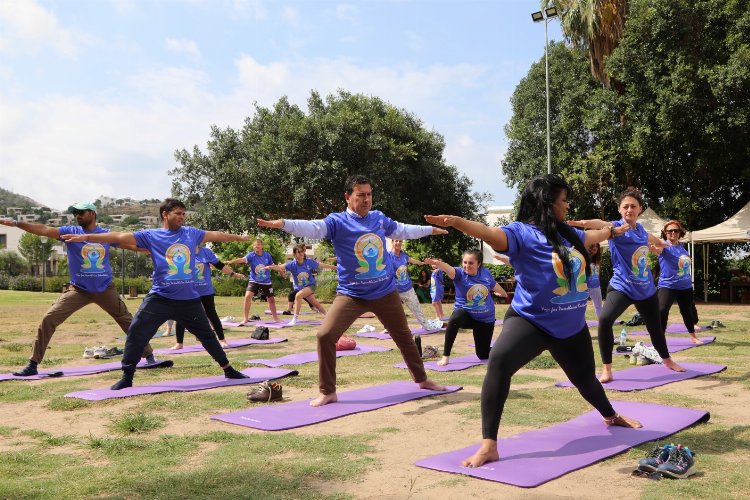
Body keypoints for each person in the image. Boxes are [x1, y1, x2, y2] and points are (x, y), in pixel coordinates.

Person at [425, 174, 642, 468]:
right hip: (532, 321)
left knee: (585, 380)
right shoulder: (521, 233)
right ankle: (489, 444)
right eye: (563, 201)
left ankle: (610, 415)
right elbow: (489, 233)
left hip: (572, 326)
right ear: (547, 202)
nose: (567, 206)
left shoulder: (568, 233)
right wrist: (457, 222)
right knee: (499, 365)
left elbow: (594, 236)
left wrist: (613, 232)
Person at [257, 174, 448, 406]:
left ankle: (422, 380)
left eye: (369, 194)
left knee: (404, 337)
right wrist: (284, 224)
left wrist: (430, 230)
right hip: (351, 294)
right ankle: (328, 391)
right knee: (325, 335)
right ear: (348, 197)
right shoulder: (337, 222)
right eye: (361, 195)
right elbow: (314, 228)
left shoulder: (378, 218)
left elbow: (401, 230)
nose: (367, 199)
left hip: (385, 292)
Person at [61, 198, 251, 389]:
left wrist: (238, 237)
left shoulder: (191, 233)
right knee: (136, 333)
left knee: (207, 336)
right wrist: (87, 238)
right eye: (178, 213)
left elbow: (216, 235)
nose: (182, 217)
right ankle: (127, 377)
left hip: (188, 299)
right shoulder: (151, 235)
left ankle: (228, 369)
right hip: (160, 298)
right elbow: (118, 236)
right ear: (165, 215)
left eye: (183, 214)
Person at [0, 202, 156, 376]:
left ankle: (149, 357)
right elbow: (43, 229)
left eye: (81, 212)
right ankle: (32, 364)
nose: (78, 216)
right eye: (76, 214)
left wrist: (156, 250)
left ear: (93, 213)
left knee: (128, 321)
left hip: (105, 289)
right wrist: (16, 224)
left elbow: (133, 246)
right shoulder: (70, 232)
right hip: (79, 290)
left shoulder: (104, 235)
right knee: (48, 319)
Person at [569, 187, 685, 382]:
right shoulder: (615, 227)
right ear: (620, 209)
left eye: (633, 206)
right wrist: (582, 223)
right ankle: (607, 369)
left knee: (655, 328)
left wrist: (665, 245)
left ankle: (667, 360)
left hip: (646, 289)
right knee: (605, 320)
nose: (629, 209)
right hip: (621, 287)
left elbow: (654, 240)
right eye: (626, 206)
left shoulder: (641, 231)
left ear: (639, 209)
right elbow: (600, 224)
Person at [425, 250, 507, 366]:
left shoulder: (486, 273)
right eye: (465, 262)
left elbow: (494, 286)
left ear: (478, 264)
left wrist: (503, 294)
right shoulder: (459, 274)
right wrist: (438, 263)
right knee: (455, 318)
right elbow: (448, 268)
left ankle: (505, 349)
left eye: (471, 263)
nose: (467, 266)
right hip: (467, 316)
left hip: (485, 319)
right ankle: (445, 357)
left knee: (483, 354)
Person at [172, 245, 246, 349]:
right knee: (180, 315)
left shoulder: (206, 252)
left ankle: (222, 340)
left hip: (205, 291)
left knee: (211, 314)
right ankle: (179, 343)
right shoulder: (183, 253)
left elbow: (220, 265)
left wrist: (233, 274)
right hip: (188, 291)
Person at [652, 220, 702, 344]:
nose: (673, 233)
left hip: (685, 286)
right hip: (667, 285)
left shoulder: (682, 248)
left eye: (676, 230)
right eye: (670, 231)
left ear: (680, 233)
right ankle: (660, 338)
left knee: (687, 312)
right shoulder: (663, 245)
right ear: (665, 233)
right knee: (662, 310)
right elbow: (657, 250)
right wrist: (653, 248)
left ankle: (693, 336)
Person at [263, 243, 336, 326]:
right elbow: (280, 267)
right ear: (294, 254)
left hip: (311, 285)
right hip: (301, 287)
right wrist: (269, 267)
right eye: (299, 252)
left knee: (298, 296)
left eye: (302, 252)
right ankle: (329, 318)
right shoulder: (292, 264)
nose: (301, 254)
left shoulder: (309, 262)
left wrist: (336, 267)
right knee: (316, 304)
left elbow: (322, 265)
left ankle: (294, 319)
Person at [389, 239, 443, 331]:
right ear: (392, 242)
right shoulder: (388, 256)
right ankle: (389, 328)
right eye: (396, 241)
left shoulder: (403, 256)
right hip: (394, 290)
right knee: (392, 310)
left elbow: (413, 260)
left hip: (407, 288)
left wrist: (422, 263)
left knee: (417, 309)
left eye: (400, 241)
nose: (398, 243)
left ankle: (427, 326)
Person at [225, 239, 280, 325]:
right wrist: (231, 262)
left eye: (258, 245)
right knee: (247, 297)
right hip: (254, 280)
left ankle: (276, 318)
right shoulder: (251, 255)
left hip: (266, 281)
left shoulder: (267, 255)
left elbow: (273, 266)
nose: (256, 246)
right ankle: (245, 319)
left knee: (271, 300)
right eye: (254, 245)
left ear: (262, 246)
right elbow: (242, 260)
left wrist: (280, 270)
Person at [587, 241, 603, 318]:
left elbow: (597, 272)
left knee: (599, 306)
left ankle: (602, 324)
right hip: (584, 286)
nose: (594, 252)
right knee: (581, 307)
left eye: (595, 250)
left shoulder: (596, 260)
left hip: (595, 286)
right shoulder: (584, 257)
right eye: (592, 250)